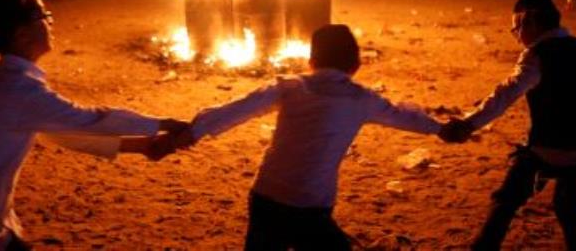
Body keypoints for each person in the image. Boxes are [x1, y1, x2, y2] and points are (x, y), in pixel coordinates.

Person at [0, 0, 187, 251]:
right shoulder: (16, 90)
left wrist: (141, 146)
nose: (51, 22)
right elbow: (91, 120)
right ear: (21, 34)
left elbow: (62, 134)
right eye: (43, 15)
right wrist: (164, 123)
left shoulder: (8, 84)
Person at [156, 25, 443, 251]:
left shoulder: (288, 87)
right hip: (311, 204)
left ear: (311, 60)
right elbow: (406, 116)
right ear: (356, 64)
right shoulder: (362, 99)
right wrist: (443, 129)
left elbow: (236, 109)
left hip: (267, 197)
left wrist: (190, 133)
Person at [440, 0, 576, 250]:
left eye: (516, 28)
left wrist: (468, 124)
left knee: (505, 200)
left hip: (548, 148)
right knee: (570, 209)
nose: (516, 37)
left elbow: (505, 95)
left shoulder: (537, 55)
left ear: (530, 21)